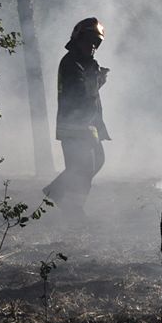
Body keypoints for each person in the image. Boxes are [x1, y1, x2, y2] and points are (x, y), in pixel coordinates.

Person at [43, 17, 111, 217]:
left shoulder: (86, 63)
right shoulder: (71, 64)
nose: (92, 46)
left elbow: (90, 96)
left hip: (88, 125)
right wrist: (97, 80)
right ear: (78, 39)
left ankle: (55, 191)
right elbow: (80, 95)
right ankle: (73, 210)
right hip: (74, 125)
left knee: (97, 160)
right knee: (82, 168)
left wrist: (97, 79)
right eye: (89, 40)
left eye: (95, 43)